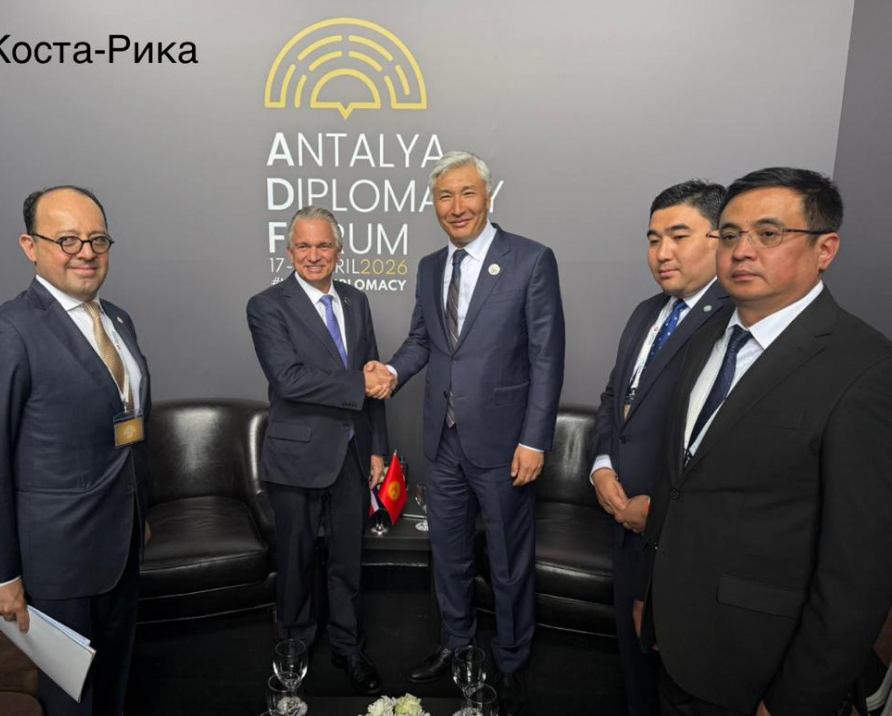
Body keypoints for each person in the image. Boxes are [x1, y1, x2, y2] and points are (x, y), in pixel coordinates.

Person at [635, 167, 892, 716]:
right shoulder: (705, 336)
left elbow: (859, 572)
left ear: (825, 249)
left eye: (769, 234)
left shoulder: (866, 369)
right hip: (676, 640)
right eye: (729, 235)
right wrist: (649, 598)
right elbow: (677, 482)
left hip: (759, 667)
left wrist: (797, 699)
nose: (742, 251)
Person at [369, 151, 564, 716]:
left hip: (505, 443)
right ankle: (457, 646)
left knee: (507, 559)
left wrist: (534, 440)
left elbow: (547, 357)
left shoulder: (530, 259)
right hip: (444, 441)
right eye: (444, 196)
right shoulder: (431, 267)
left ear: (488, 196)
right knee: (449, 553)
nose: (456, 207)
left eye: (467, 193)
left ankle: (511, 659)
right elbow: (423, 340)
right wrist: (392, 372)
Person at [0, 186, 151, 716]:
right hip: (56, 564)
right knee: (70, 702)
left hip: (120, 546)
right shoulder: (5, 334)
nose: (85, 252)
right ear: (30, 246)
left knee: (114, 684)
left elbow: (131, 428)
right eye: (67, 240)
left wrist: (141, 514)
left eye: (97, 240)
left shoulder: (119, 320)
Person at [591, 180, 732, 716]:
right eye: (653, 239)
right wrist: (602, 465)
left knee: (673, 678)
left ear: (720, 238)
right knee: (634, 666)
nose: (662, 252)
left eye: (679, 236)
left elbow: (723, 440)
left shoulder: (733, 322)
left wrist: (658, 510)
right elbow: (615, 399)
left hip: (676, 538)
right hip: (623, 523)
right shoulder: (646, 312)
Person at [246, 205, 391, 695]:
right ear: (289, 252)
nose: (314, 255)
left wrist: (377, 447)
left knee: (348, 561)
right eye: (304, 246)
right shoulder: (267, 305)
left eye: (323, 245)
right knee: (296, 564)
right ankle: (294, 651)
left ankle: (348, 648)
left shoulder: (356, 301)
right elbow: (289, 380)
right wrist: (359, 383)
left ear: (339, 251)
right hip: (297, 459)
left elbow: (373, 378)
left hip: (353, 455)